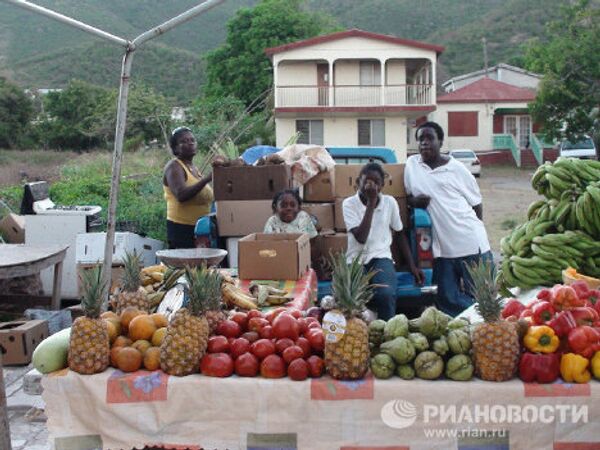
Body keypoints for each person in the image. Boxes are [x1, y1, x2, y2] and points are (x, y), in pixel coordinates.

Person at [404, 121, 492, 316]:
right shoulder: (412, 165)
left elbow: (476, 204)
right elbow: (406, 197)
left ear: (440, 142)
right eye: (421, 140)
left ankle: (479, 327)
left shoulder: (457, 169)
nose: (424, 143)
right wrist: (414, 201)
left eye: (429, 139)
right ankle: (470, 322)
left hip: (470, 244)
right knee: (445, 299)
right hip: (442, 250)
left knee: (482, 296)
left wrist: (478, 232)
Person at [343, 162, 425, 320]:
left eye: (376, 183)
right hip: (355, 259)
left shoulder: (390, 203)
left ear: (382, 185)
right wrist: (371, 203)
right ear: (358, 181)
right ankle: (359, 331)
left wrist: (412, 266)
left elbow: (399, 234)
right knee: (354, 297)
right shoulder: (349, 204)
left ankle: (387, 332)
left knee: (386, 293)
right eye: (367, 181)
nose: (371, 186)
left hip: (381, 256)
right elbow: (361, 237)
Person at [163, 127, 214, 249]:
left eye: (192, 140)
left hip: (200, 230)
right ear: (175, 148)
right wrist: (207, 179)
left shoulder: (194, 168)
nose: (190, 143)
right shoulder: (174, 167)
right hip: (181, 229)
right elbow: (181, 195)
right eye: (184, 141)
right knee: (186, 266)